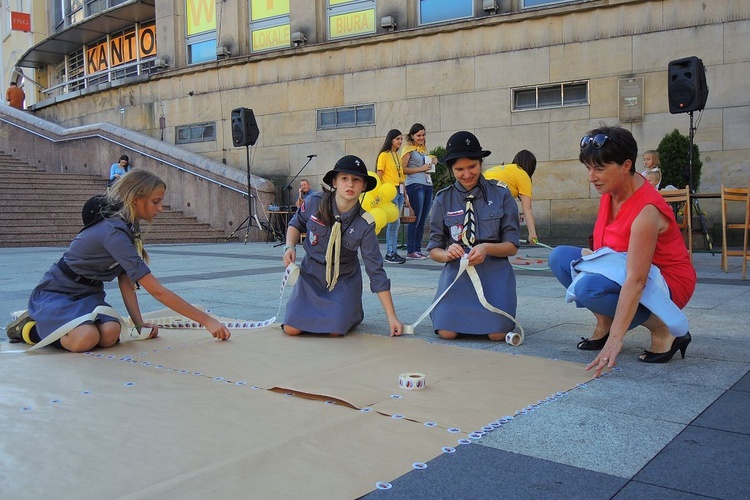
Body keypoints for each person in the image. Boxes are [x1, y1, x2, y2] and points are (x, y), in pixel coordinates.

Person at [7, 170, 232, 352]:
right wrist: (207, 321)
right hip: (58, 293)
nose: (160, 208)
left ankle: (67, 326)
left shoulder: (128, 226)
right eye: (156, 202)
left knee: (111, 333)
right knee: (84, 339)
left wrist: (138, 323)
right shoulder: (113, 232)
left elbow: (125, 281)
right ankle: (29, 328)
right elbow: (157, 291)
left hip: (89, 294)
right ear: (136, 200)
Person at [549, 125, 696, 377]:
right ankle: (605, 322)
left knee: (589, 287)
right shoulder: (611, 189)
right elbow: (607, 247)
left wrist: (616, 341)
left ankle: (663, 328)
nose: (591, 177)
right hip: (627, 266)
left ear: (626, 166)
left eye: (599, 169)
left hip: (667, 281)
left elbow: (637, 279)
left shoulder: (646, 211)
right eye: (588, 168)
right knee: (560, 258)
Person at [281, 155, 403, 337]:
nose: (350, 184)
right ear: (335, 181)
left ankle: (352, 312)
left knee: (335, 330)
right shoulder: (314, 202)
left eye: (356, 180)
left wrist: (391, 317)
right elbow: (295, 223)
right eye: (344, 178)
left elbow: (375, 271)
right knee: (291, 328)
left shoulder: (365, 223)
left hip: (343, 279)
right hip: (311, 276)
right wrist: (289, 246)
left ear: (363, 186)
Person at [426, 131, 520, 340]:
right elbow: (434, 249)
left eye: (472, 167)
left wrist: (487, 248)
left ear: (481, 163)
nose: (467, 174)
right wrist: (448, 253)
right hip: (458, 275)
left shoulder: (502, 194)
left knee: (497, 334)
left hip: (494, 273)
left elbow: (512, 246)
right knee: (446, 333)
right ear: (451, 169)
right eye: (459, 169)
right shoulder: (443, 199)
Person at [483, 149, 539, 244]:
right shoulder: (523, 175)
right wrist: (532, 234)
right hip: (492, 196)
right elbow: (527, 208)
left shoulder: (506, 169)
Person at [401, 123, 437, 260]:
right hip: (415, 185)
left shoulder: (422, 150)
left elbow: (426, 166)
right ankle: (411, 250)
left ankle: (417, 249)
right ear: (412, 136)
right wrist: (421, 168)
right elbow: (403, 169)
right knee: (415, 219)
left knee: (422, 219)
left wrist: (432, 161)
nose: (421, 137)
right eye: (418, 135)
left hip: (427, 184)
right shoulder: (408, 150)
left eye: (423, 135)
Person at [376, 129, 406, 264]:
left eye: (401, 139)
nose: (400, 141)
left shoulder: (397, 156)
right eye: (397, 139)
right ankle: (390, 252)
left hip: (399, 191)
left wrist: (406, 195)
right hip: (390, 191)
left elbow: (402, 178)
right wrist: (378, 191)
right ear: (391, 140)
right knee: (393, 223)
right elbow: (380, 174)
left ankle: (393, 251)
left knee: (396, 222)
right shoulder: (384, 155)